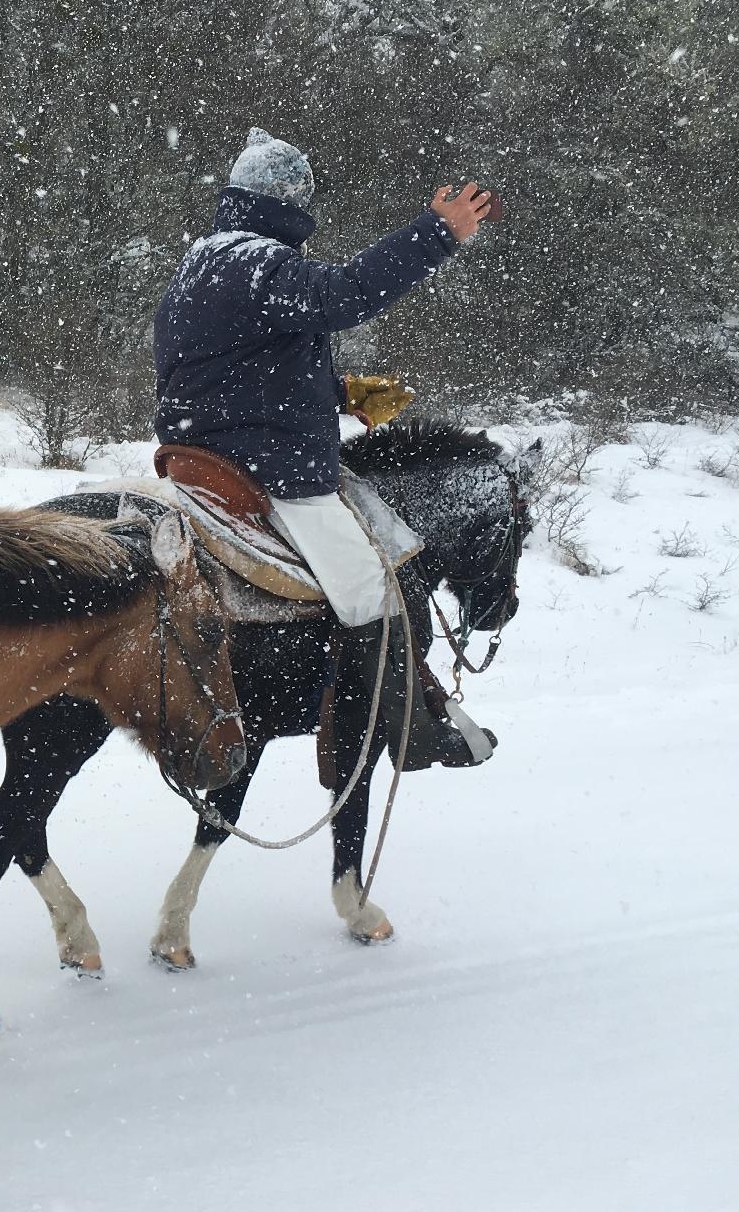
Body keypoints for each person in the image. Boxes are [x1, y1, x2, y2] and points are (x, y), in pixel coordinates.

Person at [153, 127, 496, 769]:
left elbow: (226, 375)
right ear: (290, 205)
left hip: (198, 459)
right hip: (266, 470)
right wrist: (438, 230)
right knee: (373, 590)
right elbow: (346, 294)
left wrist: (338, 394)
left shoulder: (197, 265)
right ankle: (401, 733)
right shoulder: (262, 264)